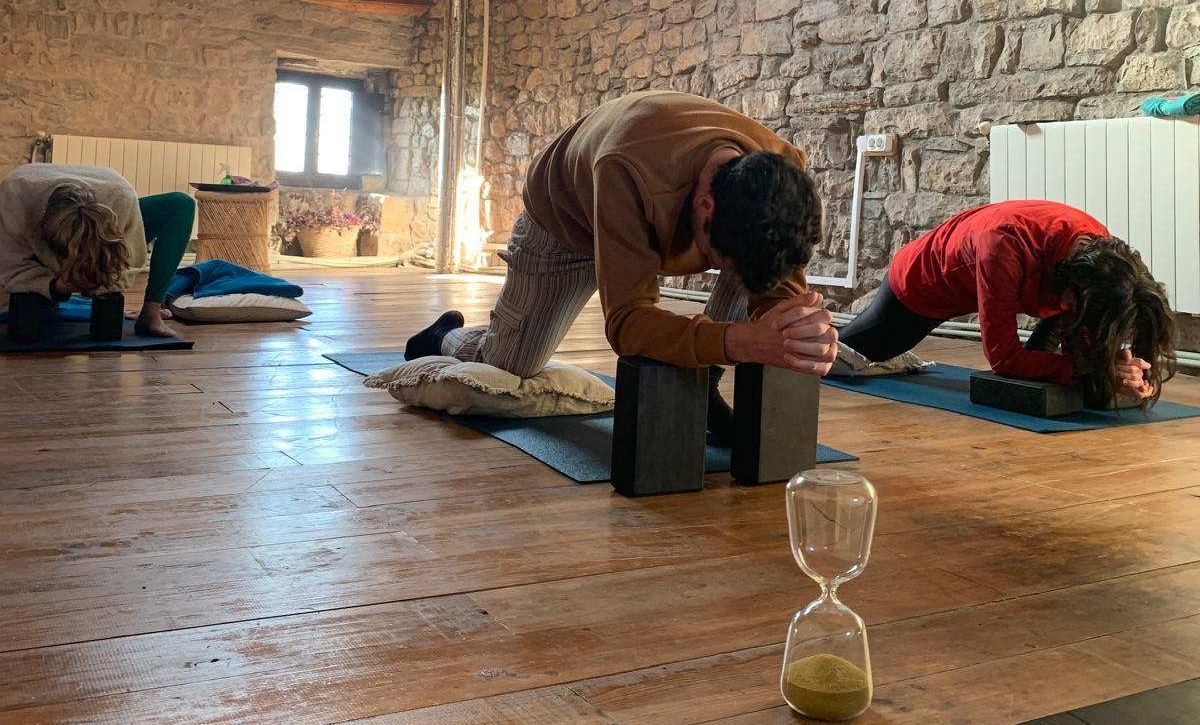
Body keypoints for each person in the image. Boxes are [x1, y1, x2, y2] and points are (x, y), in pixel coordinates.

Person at [405, 91, 839, 438]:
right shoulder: (627, 169)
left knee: (751, 273)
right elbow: (628, 323)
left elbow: (776, 282)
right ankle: (447, 336)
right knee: (508, 366)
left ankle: (703, 389)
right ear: (705, 205)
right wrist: (741, 341)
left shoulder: (780, 176)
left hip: (654, 198)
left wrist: (798, 331)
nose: (718, 271)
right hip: (565, 220)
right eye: (719, 260)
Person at [839, 199, 1176, 407]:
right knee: (844, 356)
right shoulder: (1003, 246)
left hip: (1051, 283)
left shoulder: (1102, 257)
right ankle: (803, 329)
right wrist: (1093, 370)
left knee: (1058, 366)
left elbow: (1086, 328)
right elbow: (1003, 357)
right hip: (922, 284)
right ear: (1074, 292)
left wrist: (1125, 370)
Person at [0, 163, 196, 338]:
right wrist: (55, 287)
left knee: (182, 204)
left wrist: (104, 279)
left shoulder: (121, 197)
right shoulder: (15, 195)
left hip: (111, 208)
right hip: (31, 218)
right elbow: (9, 264)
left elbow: (132, 256)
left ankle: (152, 312)